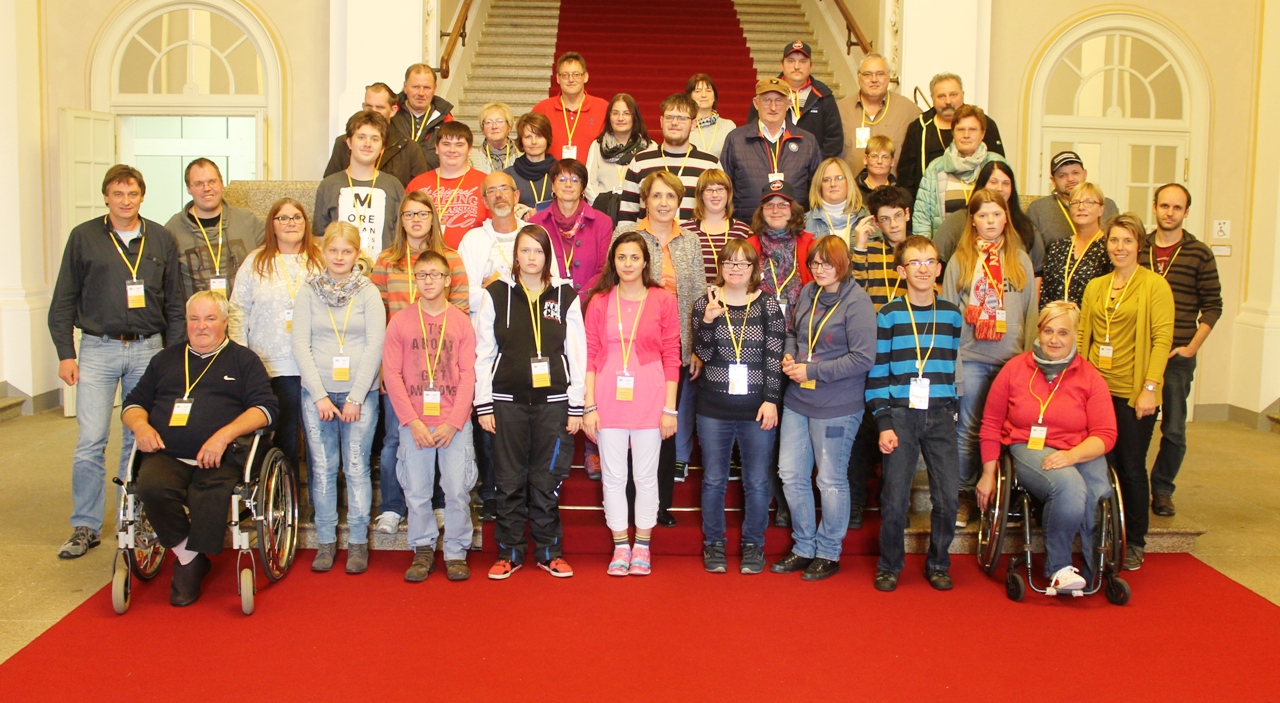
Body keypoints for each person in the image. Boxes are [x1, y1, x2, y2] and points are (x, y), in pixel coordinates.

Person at [49, 164, 187, 559]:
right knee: (91, 440)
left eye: (133, 194)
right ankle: (85, 525)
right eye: (118, 194)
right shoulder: (84, 237)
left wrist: (174, 356)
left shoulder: (160, 238)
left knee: (139, 438)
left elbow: (175, 302)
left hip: (149, 350)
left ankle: (133, 515)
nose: (125, 201)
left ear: (142, 197)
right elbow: (63, 300)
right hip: (97, 347)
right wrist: (65, 353)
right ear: (106, 197)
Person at [123, 291, 278, 606]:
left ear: (224, 321)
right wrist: (141, 426)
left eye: (209, 319)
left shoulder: (243, 359)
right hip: (167, 452)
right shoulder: (165, 359)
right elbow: (133, 403)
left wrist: (223, 435)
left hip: (221, 455)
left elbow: (266, 409)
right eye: (194, 319)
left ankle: (190, 559)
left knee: (208, 493)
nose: (201, 326)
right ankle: (189, 556)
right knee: (150, 487)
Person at [977, 301, 1119, 593]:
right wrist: (988, 473)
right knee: (1069, 487)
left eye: (1063, 332)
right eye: (1048, 331)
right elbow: (990, 424)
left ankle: (1096, 569)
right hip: (1027, 446)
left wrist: (1072, 455)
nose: (1055, 339)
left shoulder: (1089, 376)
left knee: (1097, 491)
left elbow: (1105, 434)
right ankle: (1059, 568)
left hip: (1080, 448)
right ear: (1038, 332)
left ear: (1075, 335)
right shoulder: (1015, 370)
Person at [475, 225, 586, 579]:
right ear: (515, 256)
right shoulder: (495, 294)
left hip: (553, 404)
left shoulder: (565, 295)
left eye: (538, 251)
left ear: (547, 256)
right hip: (506, 402)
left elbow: (578, 353)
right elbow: (482, 354)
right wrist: (484, 403)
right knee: (507, 481)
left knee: (546, 480)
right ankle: (508, 553)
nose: (531, 257)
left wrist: (576, 404)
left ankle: (549, 552)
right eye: (525, 251)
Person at [771, 235, 877, 580]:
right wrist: (789, 355)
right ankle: (803, 545)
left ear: (843, 264)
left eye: (827, 263)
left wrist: (811, 370)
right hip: (799, 399)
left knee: (830, 479)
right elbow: (793, 333)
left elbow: (863, 359)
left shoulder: (857, 302)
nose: (819, 270)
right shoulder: (807, 293)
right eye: (814, 263)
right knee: (790, 474)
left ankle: (829, 551)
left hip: (837, 403)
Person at [864, 235, 963, 591]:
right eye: (914, 263)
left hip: (940, 416)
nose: (923, 269)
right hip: (901, 416)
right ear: (902, 270)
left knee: (948, 497)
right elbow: (877, 375)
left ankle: (938, 561)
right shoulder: (889, 315)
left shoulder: (952, 315)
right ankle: (890, 564)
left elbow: (952, 367)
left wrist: (953, 409)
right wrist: (884, 423)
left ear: (938, 268)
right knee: (894, 498)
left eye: (929, 262)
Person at [368, 192, 470, 535]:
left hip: (442, 367)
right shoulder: (386, 260)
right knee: (397, 438)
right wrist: (385, 366)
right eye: (409, 214)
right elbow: (375, 314)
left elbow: (461, 312)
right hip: (400, 364)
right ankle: (394, 507)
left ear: (432, 218)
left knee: (442, 436)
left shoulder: (450, 259)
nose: (415, 220)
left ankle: (439, 503)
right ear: (400, 220)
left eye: (422, 213)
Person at [581, 232, 681, 576]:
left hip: (651, 401)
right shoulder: (599, 301)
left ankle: (643, 546)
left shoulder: (662, 299)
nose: (627, 264)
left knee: (645, 476)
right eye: (621, 257)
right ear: (614, 262)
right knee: (612, 476)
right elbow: (590, 355)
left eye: (634, 258)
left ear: (645, 262)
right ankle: (620, 545)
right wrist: (589, 406)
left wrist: (670, 409)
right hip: (607, 400)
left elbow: (672, 355)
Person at [1079, 213, 1175, 570]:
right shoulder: (1096, 287)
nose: (1120, 247)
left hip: (1134, 392)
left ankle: (1134, 540)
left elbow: (1162, 340)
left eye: (1127, 241)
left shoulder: (1154, 286)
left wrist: (1150, 388)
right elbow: (1081, 336)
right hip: (1097, 392)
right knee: (1101, 464)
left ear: (1139, 245)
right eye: (1114, 241)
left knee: (1131, 467)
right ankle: (1103, 531)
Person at [292, 222, 387, 574]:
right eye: (333, 251)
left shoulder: (368, 292)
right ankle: (326, 541)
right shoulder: (308, 291)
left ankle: (358, 541)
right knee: (323, 467)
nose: (339, 257)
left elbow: (376, 343)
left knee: (357, 467)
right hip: (317, 393)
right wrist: (319, 395)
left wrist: (357, 397)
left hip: (357, 395)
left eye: (346, 251)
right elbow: (300, 343)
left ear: (357, 254)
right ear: (323, 252)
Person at [941, 190, 1039, 528]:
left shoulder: (1020, 259)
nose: (990, 222)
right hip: (970, 357)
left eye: (996, 215)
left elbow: (1031, 312)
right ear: (972, 220)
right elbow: (949, 317)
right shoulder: (960, 260)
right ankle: (964, 495)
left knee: (1011, 431)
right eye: (983, 216)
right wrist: (952, 368)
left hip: (1012, 360)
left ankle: (1007, 497)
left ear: (1006, 218)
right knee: (968, 430)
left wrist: (1030, 363)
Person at [615, 171, 704, 526]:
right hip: (628, 350)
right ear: (645, 201)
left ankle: (657, 505)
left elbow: (697, 296)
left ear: (679, 201)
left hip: (673, 350)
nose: (664, 203)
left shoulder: (691, 243)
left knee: (664, 426)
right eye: (657, 196)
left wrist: (696, 346)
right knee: (628, 428)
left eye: (671, 196)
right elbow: (613, 284)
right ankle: (625, 502)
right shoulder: (627, 235)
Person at [691, 239, 785, 574]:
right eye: (728, 262)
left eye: (742, 263)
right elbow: (700, 354)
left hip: (756, 408)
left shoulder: (769, 306)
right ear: (720, 267)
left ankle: (753, 545)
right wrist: (709, 320)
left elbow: (773, 359)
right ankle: (713, 543)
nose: (734, 269)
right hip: (713, 407)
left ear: (753, 270)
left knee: (758, 481)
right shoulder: (706, 301)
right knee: (714, 479)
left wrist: (772, 400)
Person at [381, 251, 476, 582]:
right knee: (417, 490)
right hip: (415, 423)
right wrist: (412, 421)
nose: (429, 281)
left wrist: (454, 422)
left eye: (436, 275)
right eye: (422, 275)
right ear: (415, 280)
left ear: (448, 281)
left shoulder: (461, 321)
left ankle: (455, 550)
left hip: (454, 422)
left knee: (456, 488)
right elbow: (391, 374)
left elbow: (468, 375)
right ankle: (423, 548)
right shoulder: (401, 321)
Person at [1139, 184, 1222, 518]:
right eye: (1164, 205)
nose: (1169, 212)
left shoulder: (1199, 253)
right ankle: (1129, 484)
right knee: (1136, 423)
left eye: (1177, 207)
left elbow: (1213, 305)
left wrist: (1192, 347)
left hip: (1176, 354)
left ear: (1186, 212)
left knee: (1172, 426)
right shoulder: (1138, 247)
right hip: (1139, 352)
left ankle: (1162, 489)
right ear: (1154, 207)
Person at [229, 198, 324, 469]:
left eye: (297, 217)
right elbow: (237, 311)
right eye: (283, 218)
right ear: (272, 224)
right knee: (283, 438)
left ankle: (322, 506)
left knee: (318, 439)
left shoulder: (319, 260)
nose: (291, 223)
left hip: (312, 364)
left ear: (306, 224)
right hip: (269, 365)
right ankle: (286, 497)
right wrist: (241, 358)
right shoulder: (256, 262)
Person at [457, 171, 529, 519]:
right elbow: (462, 292)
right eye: (491, 191)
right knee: (486, 417)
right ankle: (490, 493)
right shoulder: (472, 240)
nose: (499, 196)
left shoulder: (535, 235)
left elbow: (548, 283)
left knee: (522, 419)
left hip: (527, 342)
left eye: (504, 189)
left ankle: (524, 490)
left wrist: (492, 287)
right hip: (485, 343)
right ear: (484, 201)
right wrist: (493, 290)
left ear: (516, 195)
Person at [721, 78, 823, 217]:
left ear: (788, 104)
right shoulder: (735, 139)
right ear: (756, 103)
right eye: (767, 100)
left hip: (794, 229)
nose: (773, 107)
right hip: (746, 229)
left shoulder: (807, 142)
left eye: (779, 100)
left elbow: (817, 191)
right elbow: (724, 187)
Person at [165, 158, 264, 298]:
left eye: (212, 181)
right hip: (198, 318)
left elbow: (282, 246)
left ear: (222, 183)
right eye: (198, 184)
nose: (207, 188)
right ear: (189, 189)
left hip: (243, 315)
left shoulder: (247, 221)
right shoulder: (173, 230)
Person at [897, 73, 1005, 197]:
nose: (948, 101)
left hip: (979, 201)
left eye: (953, 95)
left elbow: (999, 168)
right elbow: (907, 177)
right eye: (941, 96)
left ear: (963, 95)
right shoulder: (919, 128)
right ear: (932, 98)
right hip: (931, 202)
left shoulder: (984, 123)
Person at [313, 110, 404, 257]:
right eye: (361, 137)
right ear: (349, 142)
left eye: (375, 139)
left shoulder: (393, 186)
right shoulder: (329, 185)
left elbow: (401, 237)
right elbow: (319, 238)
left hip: (383, 274)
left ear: (382, 147)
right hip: (341, 274)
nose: (367, 144)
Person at [617, 93, 720, 222]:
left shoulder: (710, 164)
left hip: (696, 241)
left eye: (682, 118)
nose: (674, 123)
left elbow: (719, 215)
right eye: (669, 117)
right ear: (661, 121)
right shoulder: (640, 162)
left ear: (693, 124)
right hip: (649, 241)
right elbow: (627, 216)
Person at [912, 105, 1008, 238]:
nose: (966, 135)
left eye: (973, 129)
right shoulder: (936, 168)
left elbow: (1011, 209)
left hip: (991, 250)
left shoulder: (996, 164)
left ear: (983, 133)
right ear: (953, 133)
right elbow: (922, 218)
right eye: (960, 130)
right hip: (945, 250)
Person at [934, 161, 1043, 273]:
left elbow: (1038, 271)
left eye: (1006, 183)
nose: (999, 188)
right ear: (982, 185)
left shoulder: (1025, 225)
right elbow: (936, 262)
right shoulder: (957, 221)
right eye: (993, 182)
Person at [746, 41, 843, 159]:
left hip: (813, 170)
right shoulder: (765, 94)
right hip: (772, 165)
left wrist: (815, 164)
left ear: (811, 66)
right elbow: (752, 132)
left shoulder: (823, 95)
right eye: (791, 61)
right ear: (782, 65)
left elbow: (835, 140)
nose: (797, 66)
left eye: (803, 61)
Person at [529, 159, 613, 295]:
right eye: (562, 179)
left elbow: (604, 269)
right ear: (553, 186)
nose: (568, 184)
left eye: (575, 180)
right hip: (547, 300)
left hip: (590, 301)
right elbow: (531, 268)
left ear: (582, 188)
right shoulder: (535, 223)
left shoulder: (603, 223)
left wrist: (581, 299)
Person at [325, 82, 429, 189]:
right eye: (369, 106)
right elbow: (330, 185)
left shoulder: (410, 148)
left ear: (393, 111)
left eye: (379, 107)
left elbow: (420, 191)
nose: (374, 112)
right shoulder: (343, 142)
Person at [405, 121, 490, 248]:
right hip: (425, 260)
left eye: (459, 145)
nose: (452, 150)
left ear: (470, 149)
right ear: (437, 148)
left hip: (470, 261)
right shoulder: (417, 184)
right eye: (446, 144)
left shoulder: (486, 183)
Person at [837, 53, 921, 176]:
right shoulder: (840, 111)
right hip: (852, 192)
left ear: (888, 77)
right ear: (859, 77)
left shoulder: (909, 111)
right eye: (867, 74)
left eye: (880, 74)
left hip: (894, 192)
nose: (874, 79)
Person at [747, 181, 816, 322]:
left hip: (801, 328)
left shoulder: (811, 246)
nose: (775, 210)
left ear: (793, 210)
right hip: (757, 328)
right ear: (761, 211)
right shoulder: (748, 247)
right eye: (769, 205)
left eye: (783, 204)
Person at [1027, 151, 1120, 249]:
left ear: (1085, 174)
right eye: (1062, 175)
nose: (1070, 179)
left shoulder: (1107, 205)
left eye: (1075, 173)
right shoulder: (1038, 209)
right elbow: (1033, 253)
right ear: (1053, 180)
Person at [1039, 182, 1112, 307]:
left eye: (1089, 202)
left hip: (1090, 322)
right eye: (1075, 203)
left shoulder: (1109, 248)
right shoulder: (1058, 247)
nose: (1081, 207)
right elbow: (1045, 293)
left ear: (1101, 210)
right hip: (1057, 323)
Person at [532, 52, 610, 161]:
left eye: (576, 74)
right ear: (558, 78)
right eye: (565, 75)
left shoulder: (603, 108)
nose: (571, 79)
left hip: (591, 177)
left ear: (586, 77)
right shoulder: (541, 109)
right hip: (550, 176)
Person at [682, 168, 753, 284]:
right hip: (695, 300)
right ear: (700, 195)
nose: (715, 195)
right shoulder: (685, 231)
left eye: (720, 189)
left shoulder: (744, 232)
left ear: (728, 193)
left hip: (733, 300)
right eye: (709, 190)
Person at [585, 93, 651, 205]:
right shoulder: (597, 145)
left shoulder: (649, 147)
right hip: (603, 211)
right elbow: (589, 183)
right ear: (609, 117)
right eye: (615, 113)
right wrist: (604, 205)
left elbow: (653, 185)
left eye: (626, 113)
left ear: (634, 117)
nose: (620, 118)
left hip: (637, 212)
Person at [853, 185, 912, 309]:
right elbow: (855, 291)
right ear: (876, 223)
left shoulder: (919, 250)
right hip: (875, 322)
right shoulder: (868, 251)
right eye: (885, 219)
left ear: (907, 214)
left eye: (898, 215)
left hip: (908, 321)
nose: (893, 224)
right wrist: (859, 246)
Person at [392, 63, 454, 169]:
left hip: (432, 183)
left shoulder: (446, 119)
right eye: (415, 87)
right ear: (405, 87)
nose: (421, 93)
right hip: (395, 183)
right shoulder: (390, 114)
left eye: (427, 88)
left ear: (434, 89)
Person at [804, 157, 874, 247]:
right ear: (819, 185)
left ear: (848, 181)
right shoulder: (805, 223)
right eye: (826, 180)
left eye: (839, 178)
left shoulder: (866, 218)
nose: (833, 184)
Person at [504, 112, 557, 217]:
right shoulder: (509, 175)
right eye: (528, 137)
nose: (534, 142)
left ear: (547, 139)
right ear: (521, 141)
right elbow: (503, 207)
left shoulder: (560, 172)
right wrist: (522, 213)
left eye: (539, 136)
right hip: (520, 230)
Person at [686, 73, 736, 158]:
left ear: (714, 96)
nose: (704, 95)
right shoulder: (684, 125)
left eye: (708, 90)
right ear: (689, 97)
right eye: (698, 91)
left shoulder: (728, 126)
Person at [470, 102, 520, 174]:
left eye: (499, 121)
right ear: (482, 129)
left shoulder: (521, 154)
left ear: (509, 126)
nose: (494, 126)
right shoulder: (472, 158)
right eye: (488, 122)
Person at [853, 135, 906, 203]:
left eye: (885, 157)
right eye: (874, 156)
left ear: (892, 161)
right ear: (865, 159)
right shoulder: (852, 192)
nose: (879, 161)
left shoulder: (902, 194)